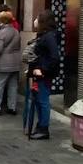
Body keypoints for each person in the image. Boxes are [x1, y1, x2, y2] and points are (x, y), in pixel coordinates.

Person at [28, 10, 62, 140]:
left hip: (44, 74)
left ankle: (43, 128)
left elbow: (54, 57)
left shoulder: (49, 37)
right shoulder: (44, 35)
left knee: (43, 100)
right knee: (38, 100)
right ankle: (40, 125)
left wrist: (43, 69)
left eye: (37, 18)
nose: (35, 20)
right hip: (39, 72)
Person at [0, 11, 22, 116]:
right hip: (15, 62)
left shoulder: (1, 33)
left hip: (4, 63)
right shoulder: (16, 31)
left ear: (1, 21)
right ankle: (12, 107)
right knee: (13, 85)